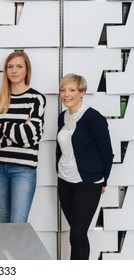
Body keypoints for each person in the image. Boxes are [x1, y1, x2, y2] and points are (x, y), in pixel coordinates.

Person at [56, 73, 113, 260]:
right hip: (65, 181)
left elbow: (107, 152)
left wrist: (103, 180)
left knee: (77, 235)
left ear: (82, 92)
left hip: (87, 184)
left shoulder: (93, 118)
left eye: (71, 90)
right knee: (78, 234)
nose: (66, 94)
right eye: (63, 90)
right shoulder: (62, 117)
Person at [0, 51, 46, 223]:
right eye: (10, 67)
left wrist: (2, 126)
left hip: (23, 169)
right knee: (4, 220)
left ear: (27, 70)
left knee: (18, 222)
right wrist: (19, 131)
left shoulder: (36, 99)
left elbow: (32, 137)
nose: (14, 71)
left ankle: (18, 252)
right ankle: (6, 252)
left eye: (19, 66)